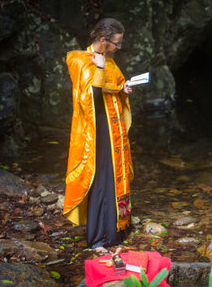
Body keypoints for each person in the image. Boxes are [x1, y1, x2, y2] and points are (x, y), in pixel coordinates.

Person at [63, 18, 134, 252]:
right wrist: (100, 68)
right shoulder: (78, 60)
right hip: (97, 129)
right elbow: (88, 99)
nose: (118, 47)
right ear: (103, 40)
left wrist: (123, 89)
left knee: (115, 175)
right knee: (102, 177)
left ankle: (119, 228)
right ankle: (100, 237)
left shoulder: (110, 62)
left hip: (113, 126)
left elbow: (114, 86)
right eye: (116, 43)